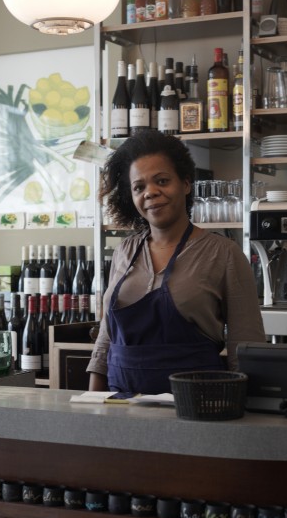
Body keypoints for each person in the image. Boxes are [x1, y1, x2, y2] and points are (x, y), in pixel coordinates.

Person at [88, 130, 265, 395]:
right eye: (139, 187)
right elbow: (106, 338)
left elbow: (246, 345)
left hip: (197, 403)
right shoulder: (125, 251)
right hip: (122, 403)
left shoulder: (224, 254)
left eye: (162, 181)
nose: (150, 193)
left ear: (185, 184)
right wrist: (93, 401)